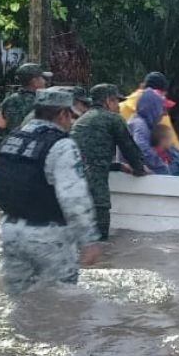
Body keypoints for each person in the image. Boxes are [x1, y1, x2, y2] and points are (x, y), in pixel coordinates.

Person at [0, 88, 102, 295]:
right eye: (71, 116)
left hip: (10, 232)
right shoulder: (62, 145)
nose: (72, 122)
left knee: (19, 299)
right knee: (63, 301)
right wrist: (89, 240)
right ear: (62, 114)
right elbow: (74, 199)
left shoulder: (13, 139)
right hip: (50, 236)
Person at [69, 83, 146, 240]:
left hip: (72, 181)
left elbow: (89, 154)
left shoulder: (82, 120)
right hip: (95, 184)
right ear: (108, 101)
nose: (119, 106)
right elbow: (129, 148)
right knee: (100, 236)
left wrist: (117, 166)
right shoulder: (113, 119)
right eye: (116, 102)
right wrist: (140, 169)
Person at [0, 63, 52, 150]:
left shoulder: (8, 100)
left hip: (12, 147)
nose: (45, 82)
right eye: (42, 78)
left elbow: (0, 126)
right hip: (34, 149)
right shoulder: (43, 102)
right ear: (35, 81)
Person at [120, 71, 179, 150]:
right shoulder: (159, 112)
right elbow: (173, 145)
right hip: (147, 158)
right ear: (163, 93)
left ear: (142, 86)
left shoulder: (119, 107)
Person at [127, 88, 170, 175]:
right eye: (161, 108)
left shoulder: (136, 121)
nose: (164, 114)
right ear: (153, 108)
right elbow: (141, 148)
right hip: (131, 176)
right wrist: (161, 166)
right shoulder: (140, 125)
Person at [21, 85, 89, 128]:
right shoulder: (59, 117)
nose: (86, 109)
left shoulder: (40, 114)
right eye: (84, 104)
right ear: (72, 102)